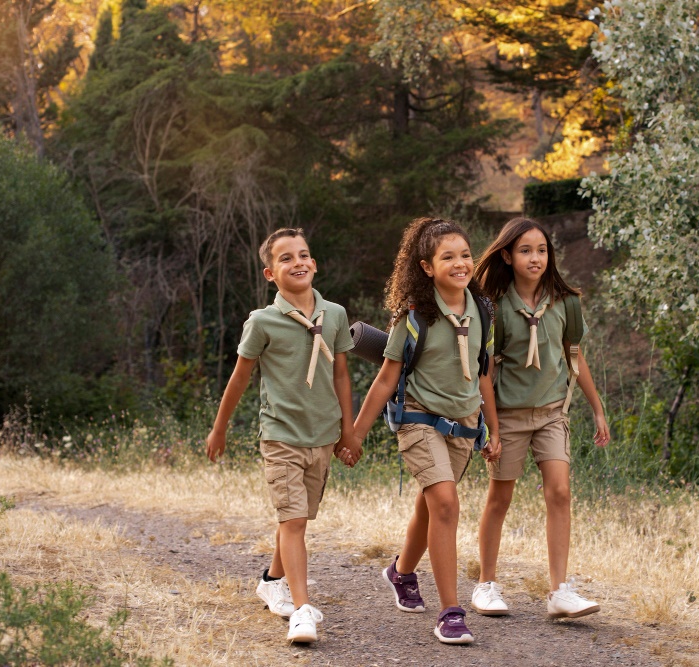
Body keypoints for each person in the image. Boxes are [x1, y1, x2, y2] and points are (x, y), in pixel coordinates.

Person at [205, 228, 361, 644]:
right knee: (292, 521)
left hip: (323, 435)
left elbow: (341, 373)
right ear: (270, 273)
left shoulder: (335, 314)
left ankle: (272, 580)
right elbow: (239, 378)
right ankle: (302, 610)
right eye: (287, 258)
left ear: (315, 263)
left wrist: (349, 430)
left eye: (304, 255)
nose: (299, 263)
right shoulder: (262, 321)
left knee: (298, 517)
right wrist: (219, 428)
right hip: (281, 436)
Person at [353, 217, 501, 645]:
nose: (460, 263)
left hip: (464, 425)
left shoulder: (483, 311)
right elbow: (385, 378)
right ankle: (450, 612)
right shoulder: (415, 316)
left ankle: (400, 573)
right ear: (426, 267)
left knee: (431, 502)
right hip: (418, 419)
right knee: (446, 502)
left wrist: (494, 429)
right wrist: (357, 435)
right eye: (447, 257)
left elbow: (484, 376)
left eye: (465, 255)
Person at [471, 217, 610, 619]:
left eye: (542, 250)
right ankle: (487, 584)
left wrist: (597, 409)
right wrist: (489, 427)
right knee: (501, 497)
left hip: (552, 413)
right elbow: (487, 371)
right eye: (526, 250)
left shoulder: (565, 301)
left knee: (560, 492)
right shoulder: (493, 306)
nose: (536, 258)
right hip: (508, 415)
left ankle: (559, 591)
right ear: (507, 256)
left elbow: (574, 355)